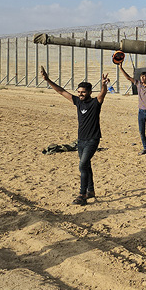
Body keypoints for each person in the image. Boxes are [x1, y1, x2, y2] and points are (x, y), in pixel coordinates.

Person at [40, 66, 109, 206]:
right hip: (80, 140)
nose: (80, 94)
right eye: (79, 92)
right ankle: (91, 191)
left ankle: (82, 195)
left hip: (92, 140)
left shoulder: (95, 103)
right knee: (86, 165)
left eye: (83, 92)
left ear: (89, 92)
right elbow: (61, 91)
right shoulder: (78, 102)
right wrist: (48, 80)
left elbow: (102, 94)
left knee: (82, 165)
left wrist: (103, 85)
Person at [119, 58, 146, 157]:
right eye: (141, 77)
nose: (142, 78)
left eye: (144, 77)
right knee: (141, 131)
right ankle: (145, 148)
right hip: (141, 112)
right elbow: (128, 78)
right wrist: (121, 68)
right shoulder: (138, 84)